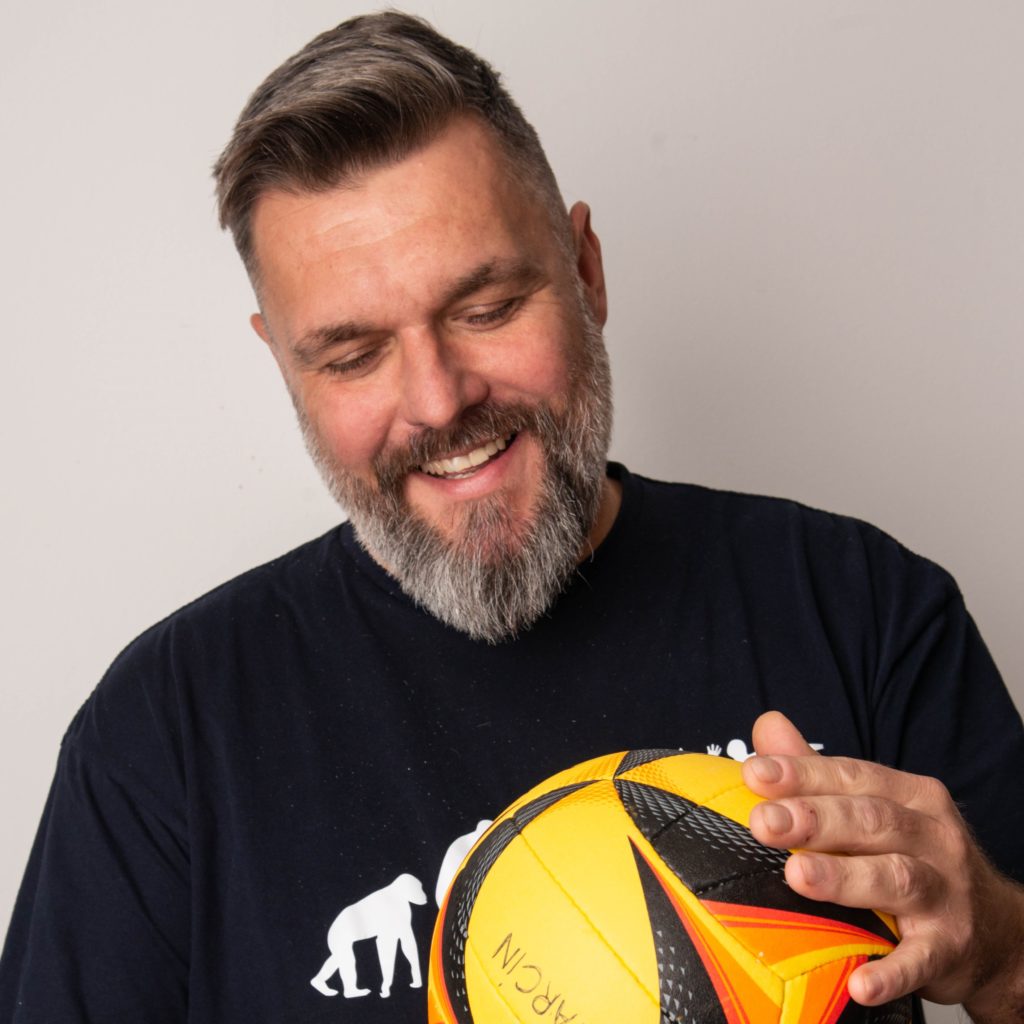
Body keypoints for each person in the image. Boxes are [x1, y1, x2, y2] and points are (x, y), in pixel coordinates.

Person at [1, 11, 1022, 1023]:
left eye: (485, 309)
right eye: (354, 354)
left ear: (587, 272)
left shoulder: (862, 607)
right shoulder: (160, 738)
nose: (440, 400)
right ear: (283, 363)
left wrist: (999, 943)